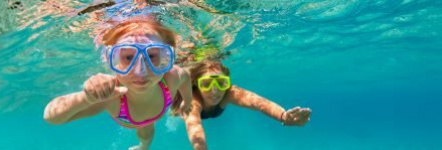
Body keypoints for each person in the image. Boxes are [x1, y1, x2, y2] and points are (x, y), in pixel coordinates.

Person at [43, 18, 193, 150]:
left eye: (152, 55)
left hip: (151, 118)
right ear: (112, 60)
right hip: (131, 118)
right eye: (128, 57)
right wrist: (87, 97)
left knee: (147, 128)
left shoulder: (171, 76)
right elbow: (51, 116)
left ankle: (144, 147)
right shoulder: (112, 95)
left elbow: (185, 78)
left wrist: (187, 101)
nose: (141, 71)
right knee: (144, 127)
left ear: (165, 56)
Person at [172, 59, 312, 150]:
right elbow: (195, 126)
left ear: (227, 83)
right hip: (179, 113)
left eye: (221, 83)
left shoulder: (230, 93)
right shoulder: (192, 101)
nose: (215, 91)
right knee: (174, 120)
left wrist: (283, 116)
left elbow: (258, 103)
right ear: (197, 84)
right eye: (207, 84)